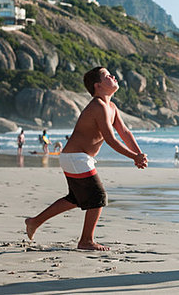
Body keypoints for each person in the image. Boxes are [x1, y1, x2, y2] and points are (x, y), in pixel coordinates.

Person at [24, 67, 148, 251]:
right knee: (98, 197)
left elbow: (124, 132)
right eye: (107, 76)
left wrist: (139, 154)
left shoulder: (111, 107)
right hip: (76, 157)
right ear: (98, 86)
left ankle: (34, 222)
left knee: (75, 198)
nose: (113, 76)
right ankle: (86, 241)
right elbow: (111, 139)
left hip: (76, 158)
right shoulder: (98, 106)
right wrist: (133, 157)